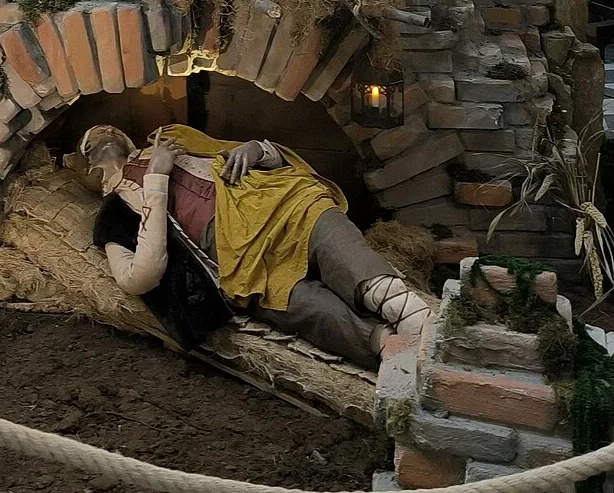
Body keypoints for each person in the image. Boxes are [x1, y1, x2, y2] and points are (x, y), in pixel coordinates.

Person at [79, 124, 432, 368]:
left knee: (324, 223)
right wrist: (157, 175)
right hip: (233, 253)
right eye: (91, 141)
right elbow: (140, 277)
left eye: (108, 128)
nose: (104, 132)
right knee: (298, 301)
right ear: (89, 170)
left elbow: (251, 155)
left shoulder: (173, 138)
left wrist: (257, 150)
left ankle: (406, 309)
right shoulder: (114, 213)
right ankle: (385, 342)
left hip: (269, 199)